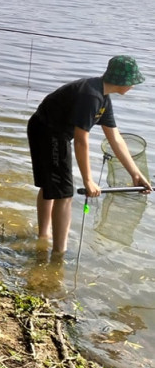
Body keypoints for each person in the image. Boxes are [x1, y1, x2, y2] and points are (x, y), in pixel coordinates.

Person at [27, 55, 152, 255]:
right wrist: (88, 181)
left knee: (52, 186)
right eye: (132, 82)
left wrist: (135, 174)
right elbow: (80, 140)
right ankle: (59, 252)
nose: (133, 86)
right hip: (48, 131)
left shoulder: (103, 97)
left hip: (45, 128)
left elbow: (116, 139)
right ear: (122, 81)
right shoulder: (91, 96)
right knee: (64, 193)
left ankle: (44, 237)